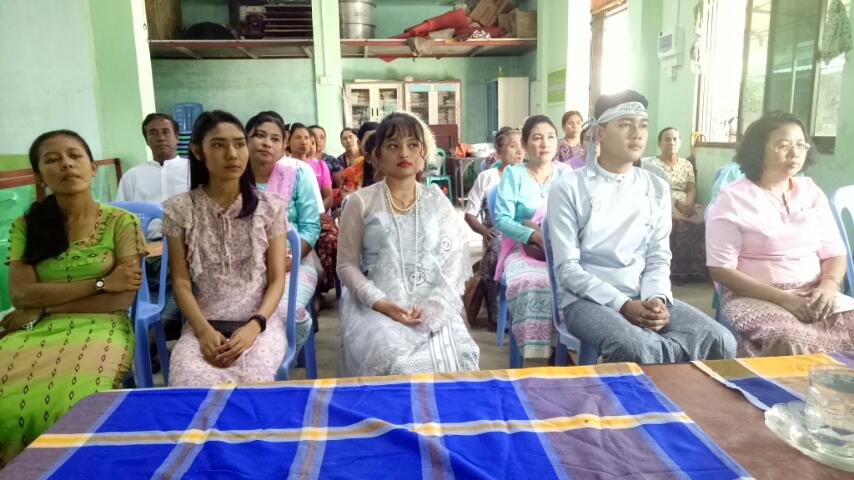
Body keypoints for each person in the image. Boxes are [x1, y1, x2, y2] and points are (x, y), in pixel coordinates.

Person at [547, 90, 735, 364]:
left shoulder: (655, 187)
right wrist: (622, 304)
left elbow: (658, 256)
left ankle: (681, 390)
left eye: (643, 125)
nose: (637, 134)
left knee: (720, 339)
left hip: (643, 293)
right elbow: (567, 269)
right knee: (636, 346)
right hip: (586, 300)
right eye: (625, 124)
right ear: (600, 132)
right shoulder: (569, 187)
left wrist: (656, 298)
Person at [0, 130, 145, 466]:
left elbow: (119, 301)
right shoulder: (26, 226)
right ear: (40, 176)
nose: (66, 164)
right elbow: (21, 293)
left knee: (76, 402)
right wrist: (102, 283)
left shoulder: (121, 222)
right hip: (32, 328)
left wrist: (43, 305)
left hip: (101, 326)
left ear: (93, 167)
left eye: (75, 156)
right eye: (52, 160)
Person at [337, 112, 479, 376]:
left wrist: (436, 304)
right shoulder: (359, 202)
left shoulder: (436, 200)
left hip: (432, 302)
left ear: (423, 154)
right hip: (376, 304)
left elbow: (453, 259)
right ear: (377, 155)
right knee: (396, 362)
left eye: (412, 145)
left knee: (464, 354)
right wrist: (381, 303)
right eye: (393, 146)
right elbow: (346, 266)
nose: (404, 152)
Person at [706, 112, 852, 356]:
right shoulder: (733, 198)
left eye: (800, 145)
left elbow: (834, 251)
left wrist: (828, 287)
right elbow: (721, 270)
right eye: (783, 145)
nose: (795, 153)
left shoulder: (811, 191)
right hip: (755, 294)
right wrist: (785, 299)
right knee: (789, 341)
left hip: (815, 292)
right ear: (758, 150)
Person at [163, 110, 288, 385]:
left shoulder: (270, 207)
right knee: (188, 382)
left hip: (260, 325)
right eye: (219, 145)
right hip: (203, 325)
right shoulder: (179, 210)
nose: (232, 154)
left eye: (239, 144)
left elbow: (277, 279)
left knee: (252, 385)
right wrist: (202, 331)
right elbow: (181, 281)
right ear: (198, 152)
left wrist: (255, 325)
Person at [493, 115, 569, 360]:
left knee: (578, 281)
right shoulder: (513, 175)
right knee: (534, 282)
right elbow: (502, 220)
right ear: (525, 145)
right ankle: (534, 353)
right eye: (537, 138)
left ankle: (565, 346)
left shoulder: (566, 173)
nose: (545, 143)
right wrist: (535, 236)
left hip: (562, 247)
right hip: (523, 247)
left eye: (550, 137)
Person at [247, 112, 322, 351]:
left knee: (283, 313)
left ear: (284, 144)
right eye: (259, 136)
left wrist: (291, 258)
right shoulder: (234, 177)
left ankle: (279, 356)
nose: (266, 143)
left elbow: (311, 227)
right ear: (245, 140)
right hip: (245, 265)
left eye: (275, 138)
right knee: (234, 312)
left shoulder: (298, 173)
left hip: (293, 260)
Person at [464, 127, 525, 328]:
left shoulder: (528, 175)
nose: (519, 151)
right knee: (494, 253)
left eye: (522, 146)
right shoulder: (487, 177)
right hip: (497, 236)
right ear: (499, 152)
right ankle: (495, 312)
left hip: (525, 234)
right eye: (513, 146)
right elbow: (469, 214)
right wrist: (484, 231)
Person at [640, 127, 707, 279]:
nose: (672, 142)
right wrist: (676, 203)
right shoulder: (648, 163)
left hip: (686, 203)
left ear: (680, 142)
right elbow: (650, 189)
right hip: (661, 202)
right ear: (659, 143)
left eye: (675, 139)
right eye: (667, 139)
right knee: (674, 221)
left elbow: (691, 188)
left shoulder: (686, 164)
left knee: (703, 219)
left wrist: (688, 205)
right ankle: (674, 271)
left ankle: (695, 271)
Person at [116, 113, 190, 216]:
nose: (161, 138)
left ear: (176, 137)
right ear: (146, 140)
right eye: (153, 133)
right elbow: (121, 214)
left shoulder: (193, 169)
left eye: (166, 132)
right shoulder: (132, 176)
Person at [341, 122, 380, 195]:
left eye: (378, 140)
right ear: (359, 143)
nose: (375, 145)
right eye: (370, 141)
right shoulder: (350, 173)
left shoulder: (396, 170)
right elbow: (348, 199)